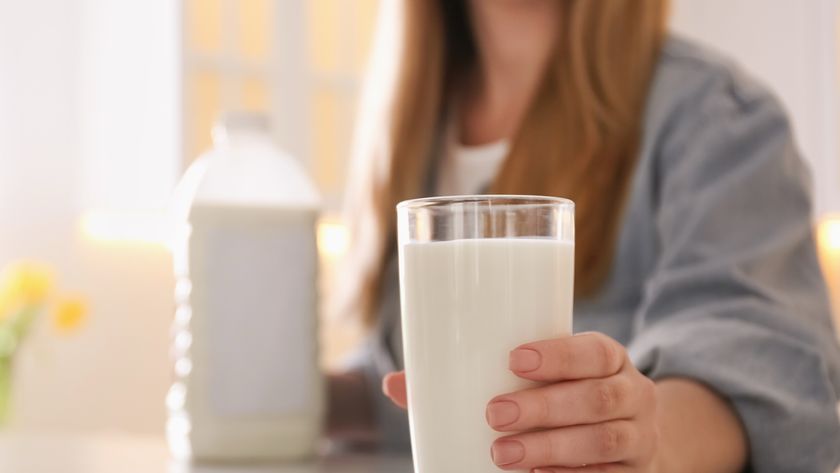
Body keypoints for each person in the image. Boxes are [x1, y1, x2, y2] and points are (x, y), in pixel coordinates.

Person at [327, 1, 840, 472]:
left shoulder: (713, 116)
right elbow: (414, 389)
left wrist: (646, 440)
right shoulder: (412, 128)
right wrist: (294, 396)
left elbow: (753, 358)